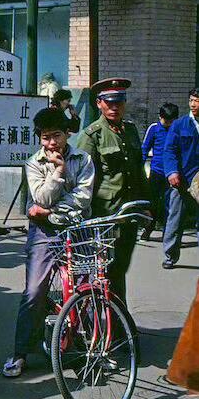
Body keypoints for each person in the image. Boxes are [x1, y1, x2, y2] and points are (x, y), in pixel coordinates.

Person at [2, 107, 95, 378]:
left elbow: (83, 198)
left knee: (84, 290)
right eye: (45, 137)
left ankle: (85, 349)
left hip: (77, 230)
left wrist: (50, 212)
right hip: (44, 233)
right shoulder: (34, 163)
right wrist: (59, 171)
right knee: (34, 292)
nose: (52, 143)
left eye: (56, 135)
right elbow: (40, 197)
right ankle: (20, 352)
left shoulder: (84, 159)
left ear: (67, 134)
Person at [77, 77, 149, 305]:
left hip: (129, 214)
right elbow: (81, 178)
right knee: (105, 272)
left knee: (120, 269)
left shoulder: (130, 130)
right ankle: (107, 318)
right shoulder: (92, 135)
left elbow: (138, 171)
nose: (114, 107)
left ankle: (116, 317)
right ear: (99, 103)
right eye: (109, 102)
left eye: (119, 101)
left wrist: (148, 205)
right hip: (104, 215)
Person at [161, 89, 199, 269]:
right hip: (182, 180)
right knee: (175, 218)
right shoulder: (180, 125)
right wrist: (172, 172)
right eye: (191, 100)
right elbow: (169, 150)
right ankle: (170, 255)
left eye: (197, 101)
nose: (193, 104)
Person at [141, 102, 179, 238]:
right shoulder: (154, 128)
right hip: (156, 172)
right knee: (152, 203)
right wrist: (139, 168)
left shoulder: (179, 130)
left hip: (172, 174)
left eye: (170, 121)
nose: (167, 124)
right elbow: (144, 148)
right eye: (165, 121)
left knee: (170, 204)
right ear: (160, 117)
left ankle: (167, 234)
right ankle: (148, 228)